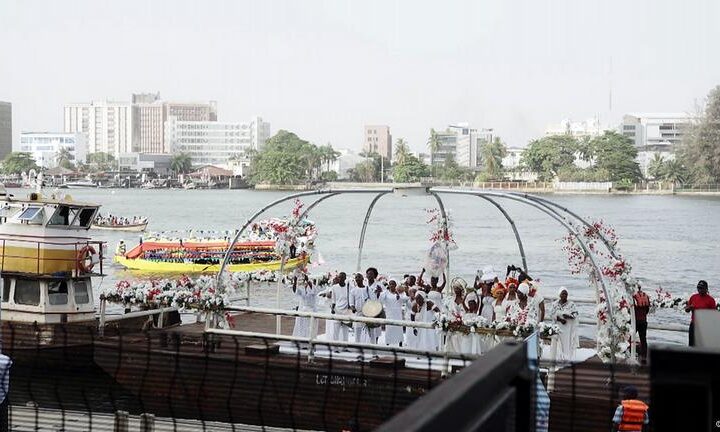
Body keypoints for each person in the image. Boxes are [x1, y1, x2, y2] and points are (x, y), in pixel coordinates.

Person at [549, 287, 579, 362]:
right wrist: (560, 319)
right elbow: (551, 314)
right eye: (563, 293)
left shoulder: (571, 304)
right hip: (557, 326)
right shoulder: (555, 304)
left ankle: (566, 358)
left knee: (566, 343)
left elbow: (575, 314)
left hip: (567, 328)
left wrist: (569, 316)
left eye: (566, 294)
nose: (565, 295)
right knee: (557, 342)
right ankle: (557, 358)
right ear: (560, 295)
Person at [684, 280, 717, 346]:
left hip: (704, 326)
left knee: (702, 346)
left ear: (706, 289)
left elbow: (713, 315)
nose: (699, 290)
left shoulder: (711, 300)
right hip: (693, 324)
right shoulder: (693, 297)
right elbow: (687, 310)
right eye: (698, 288)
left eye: (701, 288)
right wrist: (689, 308)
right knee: (691, 345)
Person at [291, 274, 320, 339]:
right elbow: (295, 291)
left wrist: (307, 279)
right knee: (302, 326)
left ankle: (310, 340)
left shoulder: (314, 289)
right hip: (303, 310)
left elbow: (311, 286)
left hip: (311, 311)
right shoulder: (302, 289)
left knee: (310, 327)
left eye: (307, 282)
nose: (306, 283)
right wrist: (295, 281)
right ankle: (302, 340)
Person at [380, 280, 405, 346]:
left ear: (395, 285)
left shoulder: (399, 293)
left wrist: (399, 297)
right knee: (389, 328)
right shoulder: (385, 293)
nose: (391, 285)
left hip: (398, 314)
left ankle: (400, 343)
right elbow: (380, 300)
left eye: (393, 284)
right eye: (390, 284)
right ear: (388, 285)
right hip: (389, 313)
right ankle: (388, 342)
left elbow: (404, 300)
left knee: (399, 328)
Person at [328, 272, 351, 343]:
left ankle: (345, 346)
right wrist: (332, 309)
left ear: (345, 278)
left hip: (346, 312)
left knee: (345, 331)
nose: (340, 279)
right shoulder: (334, 287)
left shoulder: (349, 287)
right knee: (335, 331)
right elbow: (333, 300)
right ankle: (335, 347)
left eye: (342, 277)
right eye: (339, 277)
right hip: (337, 311)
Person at [349, 273, 372, 344]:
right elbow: (351, 303)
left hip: (367, 314)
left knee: (367, 332)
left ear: (363, 278)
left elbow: (371, 300)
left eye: (359, 277)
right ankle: (357, 346)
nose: (357, 279)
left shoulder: (367, 289)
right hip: (357, 314)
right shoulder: (353, 290)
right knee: (357, 331)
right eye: (356, 278)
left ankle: (366, 345)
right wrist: (353, 308)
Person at [632, 285, 651, 362]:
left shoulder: (633, 297)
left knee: (631, 337)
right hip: (643, 320)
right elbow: (647, 310)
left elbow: (631, 309)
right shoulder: (646, 296)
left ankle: (631, 353)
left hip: (635, 321)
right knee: (643, 339)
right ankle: (644, 356)